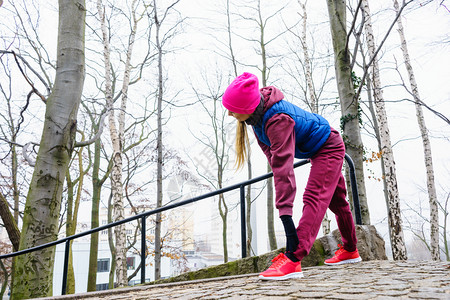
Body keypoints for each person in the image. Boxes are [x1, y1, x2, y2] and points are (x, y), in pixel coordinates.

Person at [222, 72, 361, 281]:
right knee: (337, 202)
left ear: (246, 108)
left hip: (328, 147)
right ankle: (351, 250)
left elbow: (283, 169)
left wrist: (285, 214)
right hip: (317, 148)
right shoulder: (256, 119)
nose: (230, 115)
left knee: (314, 197)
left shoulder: (277, 120)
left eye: (233, 110)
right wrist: (285, 207)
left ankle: (293, 260)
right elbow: (273, 157)